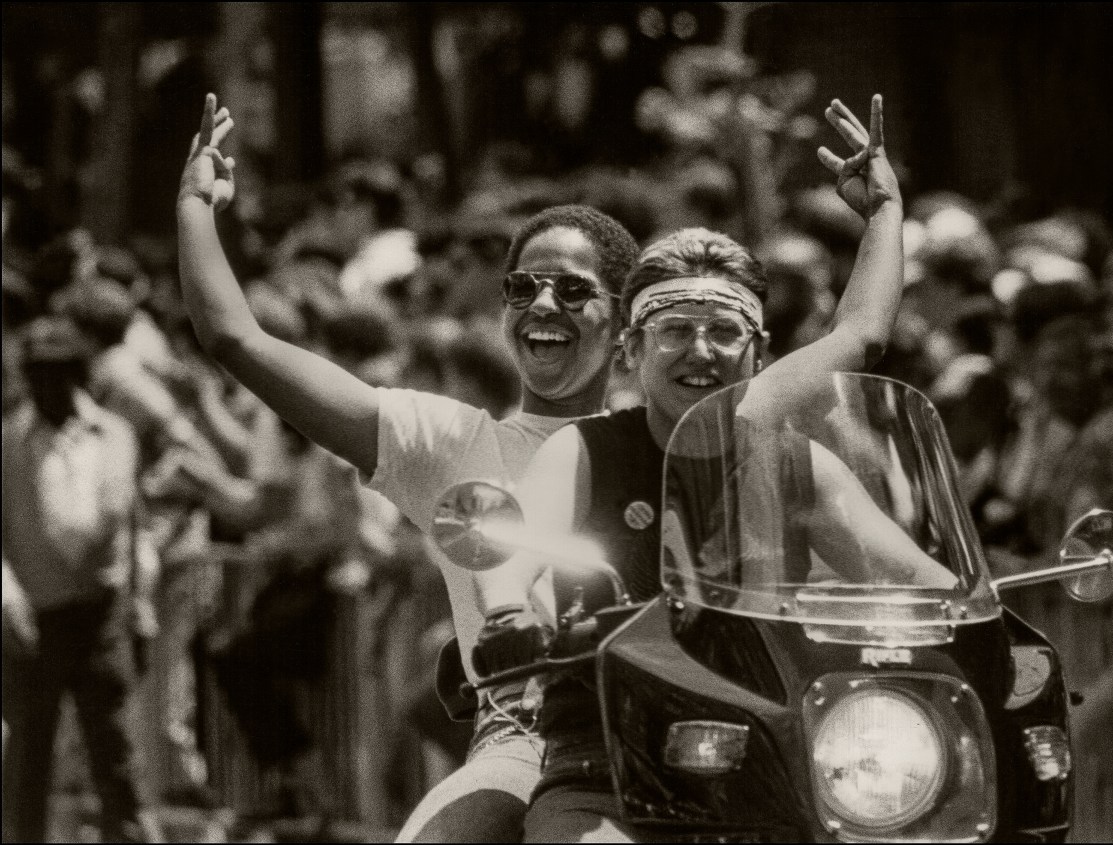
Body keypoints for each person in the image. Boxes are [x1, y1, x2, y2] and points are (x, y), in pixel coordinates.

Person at [473, 95, 952, 843]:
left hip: (782, 762)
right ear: (631, 350)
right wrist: (508, 612)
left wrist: (885, 210)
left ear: (758, 353)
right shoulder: (584, 451)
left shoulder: (799, 468)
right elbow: (514, 543)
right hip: (606, 766)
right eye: (675, 331)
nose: (701, 351)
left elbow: (861, 340)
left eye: (724, 331)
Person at [176, 93, 641, 842]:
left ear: (623, 323)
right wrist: (198, 209)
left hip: (671, 738)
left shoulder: (662, 435)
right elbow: (237, 340)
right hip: (524, 744)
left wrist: (877, 218)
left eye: (575, 289)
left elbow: (843, 351)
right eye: (522, 287)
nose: (543, 303)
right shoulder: (450, 439)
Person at [2, 316, 159, 843]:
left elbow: (130, 522)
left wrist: (140, 602)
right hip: (34, 613)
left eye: (57, 374)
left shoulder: (114, 434)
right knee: (30, 747)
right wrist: (9, 598)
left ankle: (132, 833)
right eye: (37, 375)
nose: (47, 387)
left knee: (114, 742)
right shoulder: (8, 443)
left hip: (100, 608)